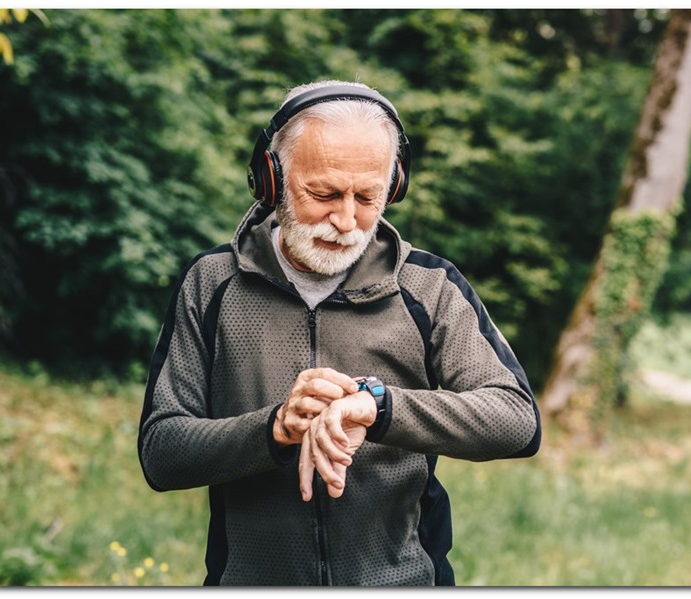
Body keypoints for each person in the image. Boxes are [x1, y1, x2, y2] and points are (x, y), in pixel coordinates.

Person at [137, 79, 541, 587]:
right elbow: (161, 451)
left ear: (393, 185)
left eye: (368, 197)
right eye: (323, 193)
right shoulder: (211, 284)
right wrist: (275, 429)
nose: (347, 220)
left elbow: (516, 420)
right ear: (271, 179)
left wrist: (379, 406)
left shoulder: (430, 286)